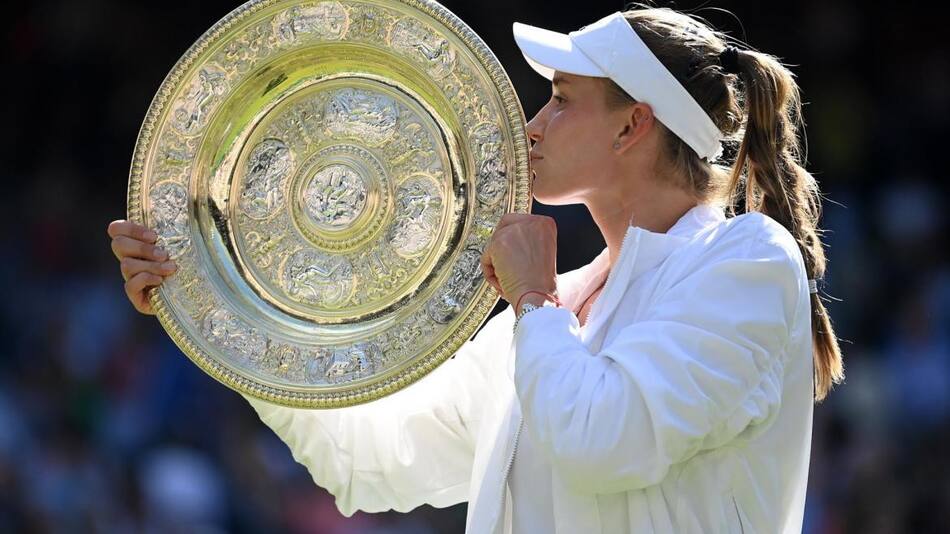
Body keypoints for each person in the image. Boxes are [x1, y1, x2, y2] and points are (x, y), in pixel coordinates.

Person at [107, 5, 844, 533]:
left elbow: (603, 441)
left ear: (633, 125)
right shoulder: (557, 310)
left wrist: (530, 299)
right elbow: (369, 463)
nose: (532, 126)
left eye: (560, 102)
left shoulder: (747, 261)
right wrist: (221, 301)